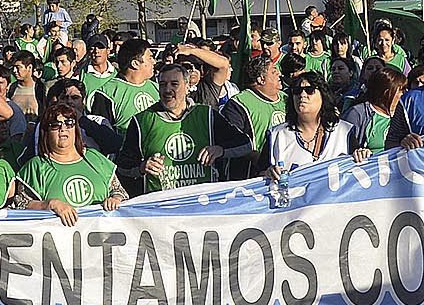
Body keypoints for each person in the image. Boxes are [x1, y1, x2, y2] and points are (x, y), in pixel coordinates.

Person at [117, 62, 248, 193]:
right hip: (161, 204)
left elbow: (245, 143)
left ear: (187, 87)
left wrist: (221, 150)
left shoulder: (206, 115)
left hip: (202, 201)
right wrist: (142, 167)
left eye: (174, 84)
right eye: (163, 85)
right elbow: (122, 165)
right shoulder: (142, 121)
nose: (167, 90)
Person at [18, 100, 126, 224]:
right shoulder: (36, 166)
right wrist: (50, 204)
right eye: (55, 125)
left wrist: (116, 199)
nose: (63, 129)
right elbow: (20, 204)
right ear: (46, 132)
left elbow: (120, 191)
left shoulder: (95, 158)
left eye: (69, 123)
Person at [262, 73, 366, 179]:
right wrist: (268, 173)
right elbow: (257, 176)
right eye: (297, 91)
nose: (302, 95)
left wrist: (363, 155)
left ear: (323, 95)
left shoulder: (344, 132)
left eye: (310, 90)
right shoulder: (277, 135)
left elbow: (360, 171)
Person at [217, 54, 287, 179]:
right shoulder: (239, 103)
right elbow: (232, 141)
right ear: (261, 79)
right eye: (274, 72)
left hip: (285, 170)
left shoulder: (288, 99)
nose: (279, 74)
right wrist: (259, 159)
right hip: (251, 177)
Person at [88, 39, 159, 129]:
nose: (154, 62)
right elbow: (100, 134)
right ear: (135, 64)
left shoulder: (157, 89)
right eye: (150, 58)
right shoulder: (107, 93)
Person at [341, 65, 405, 155]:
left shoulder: (404, 114)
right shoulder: (357, 113)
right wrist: (358, 153)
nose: (404, 94)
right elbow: (341, 147)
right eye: (401, 90)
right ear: (387, 93)